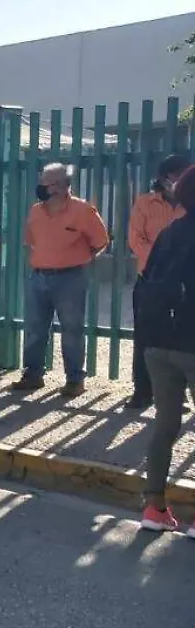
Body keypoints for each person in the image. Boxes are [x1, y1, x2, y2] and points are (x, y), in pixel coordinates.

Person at [13, 163, 109, 397]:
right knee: (34, 328)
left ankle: (75, 380)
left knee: (72, 329)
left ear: (61, 186)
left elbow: (101, 242)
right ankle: (33, 375)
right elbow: (30, 241)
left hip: (70, 278)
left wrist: (80, 261)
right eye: (42, 181)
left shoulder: (83, 210)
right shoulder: (36, 211)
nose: (41, 186)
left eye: (46, 182)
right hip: (39, 276)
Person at [134, 166, 195, 533]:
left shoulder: (170, 232)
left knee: (165, 426)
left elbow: (147, 277)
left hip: (158, 342)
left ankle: (154, 508)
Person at [127, 154, 190, 409]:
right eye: (176, 175)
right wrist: (161, 264)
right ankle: (142, 390)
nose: (179, 180)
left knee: (180, 340)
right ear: (163, 178)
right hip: (150, 281)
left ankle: (177, 394)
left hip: (184, 285)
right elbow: (136, 239)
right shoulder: (145, 202)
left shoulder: (189, 206)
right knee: (145, 337)